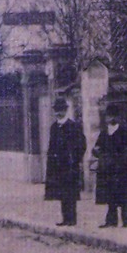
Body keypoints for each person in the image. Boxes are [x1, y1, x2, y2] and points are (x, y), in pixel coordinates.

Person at [43, 96, 86, 226]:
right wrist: (51, 162)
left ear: (66, 110)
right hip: (58, 166)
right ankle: (65, 218)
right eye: (56, 110)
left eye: (61, 110)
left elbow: (82, 144)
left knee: (70, 192)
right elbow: (51, 146)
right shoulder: (54, 127)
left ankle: (72, 219)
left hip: (70, 165)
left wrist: (76, 159)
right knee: (61, 192)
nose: (58, 113)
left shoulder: (74, 126)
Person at [92, 105, 127, 227]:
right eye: (108, 116)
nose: (110, 118)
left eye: (112, 116)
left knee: (124, 196)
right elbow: (96, 148)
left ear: (117, 117)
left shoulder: (125, 132)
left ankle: (126, 221)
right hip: (108, 170)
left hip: (121, 169)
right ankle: (111, 221)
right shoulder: (104, 133)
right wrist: (97, 152)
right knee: (110, 195)